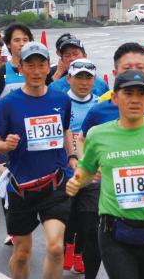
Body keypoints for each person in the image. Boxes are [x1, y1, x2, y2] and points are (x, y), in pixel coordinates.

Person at [68, 70, 144, 279]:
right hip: (114, 232)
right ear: (114, 98)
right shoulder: (98, 134)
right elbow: (88, 170)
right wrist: (77, 180)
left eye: (140, 94)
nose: (134, 99)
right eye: (128, 93)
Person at [0, 42, 72, 279]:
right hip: (21, 188)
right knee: (23, 252)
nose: (36, 71)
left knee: (56, 248)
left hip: (55, 184)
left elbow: (66, 130)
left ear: (49, 67)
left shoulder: (61, 99)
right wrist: (6, 145)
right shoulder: (8, 103)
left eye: (41, 65)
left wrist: (73, 156)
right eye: (30, 65)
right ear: (22, 68)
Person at [51, 58, 100, 275]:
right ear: (68, 78)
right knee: (70, 217)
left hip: (91, 174)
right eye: (78, 77)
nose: (83, 82)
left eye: (88, 78)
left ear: (94, 80)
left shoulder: (100, 105)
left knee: (89, 221)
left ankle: (79, 252)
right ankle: (68, 246)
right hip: (65, 171)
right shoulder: (59, 102)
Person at [0, 23, 33, 97]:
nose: (22, 44)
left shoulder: (41, 72)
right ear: (8, 44)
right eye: (17, 40)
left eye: (25, 40)